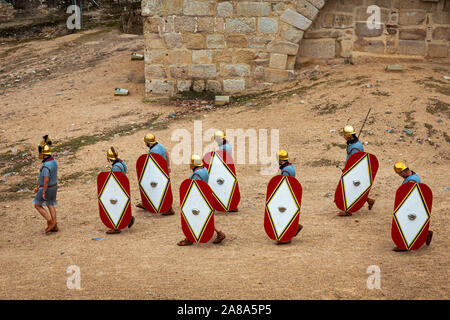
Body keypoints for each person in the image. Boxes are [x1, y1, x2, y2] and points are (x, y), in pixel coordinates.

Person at [177, 155, 226, 246]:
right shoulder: (204, 170)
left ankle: (189, 239)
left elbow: (195, 190)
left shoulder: (196, 175)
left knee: (190, 218)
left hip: (199, 200)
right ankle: (220, 233)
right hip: (205, 198)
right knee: (206, 218)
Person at [392, 162, 433, 251]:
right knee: (413, 222)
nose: (400, 176)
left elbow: (409, 193)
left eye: (400, 174)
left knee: (406, 223)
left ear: (403, 171)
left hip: (411, 204)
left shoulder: (412, 180)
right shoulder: (413, 175)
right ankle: (426, 234)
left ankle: (404, 245)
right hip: (414, 203)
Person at [338, 125, 375, 216]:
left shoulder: (355, 148)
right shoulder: (355, 143)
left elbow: (355, 162)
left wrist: (347, 171)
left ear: (350, 136)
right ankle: (369, 200)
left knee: (350, 189)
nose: (344, 136)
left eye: (345, 135)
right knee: (356, 189)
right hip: (355, 171)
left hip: (354, 171)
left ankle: (348, 210)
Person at [136, 133, 174, 215]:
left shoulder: (153, 151)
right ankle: (147, 204)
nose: (145, 144)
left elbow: (152, 165)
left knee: (159, 189)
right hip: (164, 171)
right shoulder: (160, 146)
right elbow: (167, 154)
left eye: (146, 142)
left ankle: (168, 209)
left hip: (158, 174)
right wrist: (168, 166)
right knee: (162, 189)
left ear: (148, 143)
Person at [275, 149, 303, 245]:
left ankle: (287, 237)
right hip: (291, 193)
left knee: (284, 215)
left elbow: (284, 185)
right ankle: (295, 227)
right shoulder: (290, 166)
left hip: (287, 195)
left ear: (281, 160)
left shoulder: (286, 170)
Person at [105, 147, 135, 234]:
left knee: (115, 207)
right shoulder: (122, 162)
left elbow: (115, 181)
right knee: (121, 205)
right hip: (123, 187)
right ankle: (128, 218)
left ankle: (116, 227)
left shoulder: (116, 167)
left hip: (117, 189)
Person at [33, 135, 59, 234]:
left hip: (47, 188)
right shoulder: (54, 161)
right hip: (54, 186)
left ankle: (50, 221)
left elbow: (46, 180)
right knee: (50, 204)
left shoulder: (45, 166)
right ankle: (55, 224)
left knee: (37, 205)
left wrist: (43, 191)